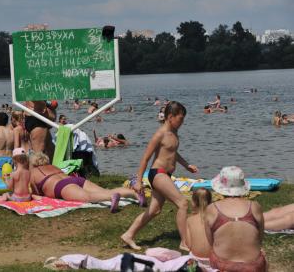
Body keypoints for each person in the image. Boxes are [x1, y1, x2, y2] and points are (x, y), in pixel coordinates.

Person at [121, 101, 198, 251]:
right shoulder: (160, 134)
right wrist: (138, 181)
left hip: (166, 174)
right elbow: (145, 158)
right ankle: (184, 242)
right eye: (180, 119)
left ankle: (128, 235)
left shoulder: (174, 132)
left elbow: (173, 152)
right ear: (170, 117)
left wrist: (186, 165)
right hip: (158, 174)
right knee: (182, 203)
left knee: (155, 210)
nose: (182, 122)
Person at [29, 152, 144, 212]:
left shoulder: (33, 172)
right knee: (105, 190)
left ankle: (111, 197)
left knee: (88, 197)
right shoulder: (53, 166)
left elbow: (35, 192)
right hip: (75, 179)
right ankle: (134, 194)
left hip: (61, 186)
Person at [204, 166, 266, 272]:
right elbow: (259, 239)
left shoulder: (212, 209)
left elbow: (211, 242)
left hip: (222, 266)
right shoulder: (255, 206)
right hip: (252, 267)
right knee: (264, 257)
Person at [186, 188, 213, 270]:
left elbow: (189, 244)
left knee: (189, 262)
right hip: (215, 261)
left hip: (196, 260)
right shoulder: (215, 218)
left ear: (193, 202)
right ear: (210, 201)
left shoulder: (190, 220)